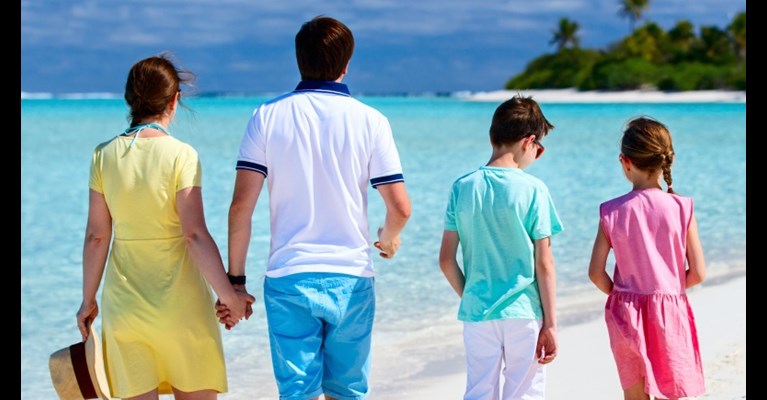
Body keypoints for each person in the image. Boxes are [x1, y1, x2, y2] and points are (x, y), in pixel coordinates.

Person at [218, 15, 411, 400]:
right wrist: (388, 241)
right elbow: (401, 208)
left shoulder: (266, 116)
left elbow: (241, 208)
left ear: (298, 59)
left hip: (289, 277)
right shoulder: (371, 121)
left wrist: (235, 285)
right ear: (347, 63)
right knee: (348, 391)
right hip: (352, 277)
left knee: (298, 392)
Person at [76, 54, 254, 400]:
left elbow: (97, 236)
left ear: (130, 100)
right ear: (175, 100)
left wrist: (87, 300)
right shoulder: (181, 155)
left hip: (125, 309)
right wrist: (229, 295)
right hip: (183, 308)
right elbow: (194, 234)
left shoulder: (103, 155)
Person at [438, 95, 562, 400]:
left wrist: (471, 294)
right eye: (539, 148)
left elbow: (446, 260)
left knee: (479, 391)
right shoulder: (534, 190)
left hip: (478, 312)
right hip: (523, 311)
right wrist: (551, 324)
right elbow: (544, 263)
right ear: (528, 141)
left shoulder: (463, 187)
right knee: (524, 392)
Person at [588, 116, 706, 400]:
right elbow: (699, 272)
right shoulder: (682, 208)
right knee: (672, 388)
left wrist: (620, 294)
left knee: (635, 394)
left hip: (626, 311)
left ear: (625, 162)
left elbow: (595, 272)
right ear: (669, 160)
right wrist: (670, 287)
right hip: (670, 309)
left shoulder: (612, 211)